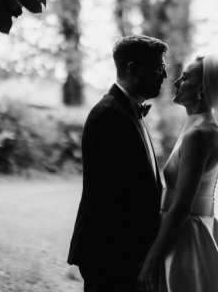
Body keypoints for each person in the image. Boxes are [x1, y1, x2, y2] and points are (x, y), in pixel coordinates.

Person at [137, 55, 218, 292]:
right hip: (187, 229)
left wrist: (151, 260)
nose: (177, 81)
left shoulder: (200, 134)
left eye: (186, 76)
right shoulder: (198, 125)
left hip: (185, 238)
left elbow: (181, 205)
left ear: (201, 88)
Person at [67, 35, 169, 292]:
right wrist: (140, 258)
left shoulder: (127, 110)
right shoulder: (109, 116)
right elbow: (114, 198)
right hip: (111, 254)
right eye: (158, 68)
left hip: (122, 253)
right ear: (133, 69)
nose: (165, 75)